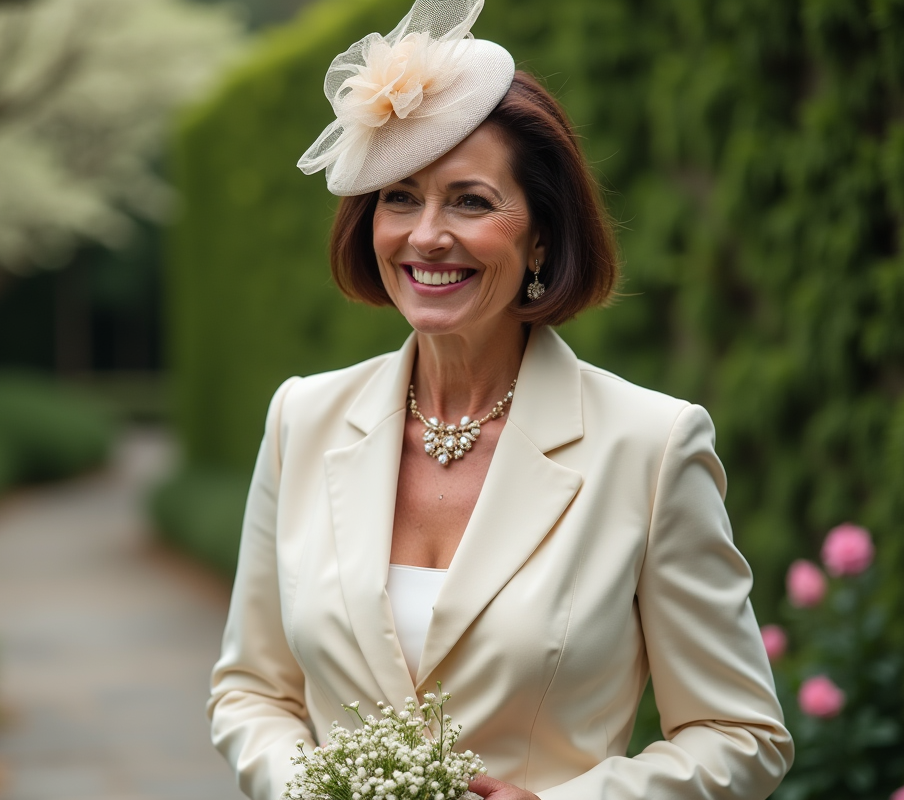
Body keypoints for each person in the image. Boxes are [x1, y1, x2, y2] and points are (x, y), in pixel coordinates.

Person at [207, 1, 793, 798]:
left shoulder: (653, 447)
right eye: (400, 196)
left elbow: (742, 735)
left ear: (540, 235)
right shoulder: (301, 421)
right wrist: (317, 788)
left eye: (471, 201)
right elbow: (252, 691)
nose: (426, 235)